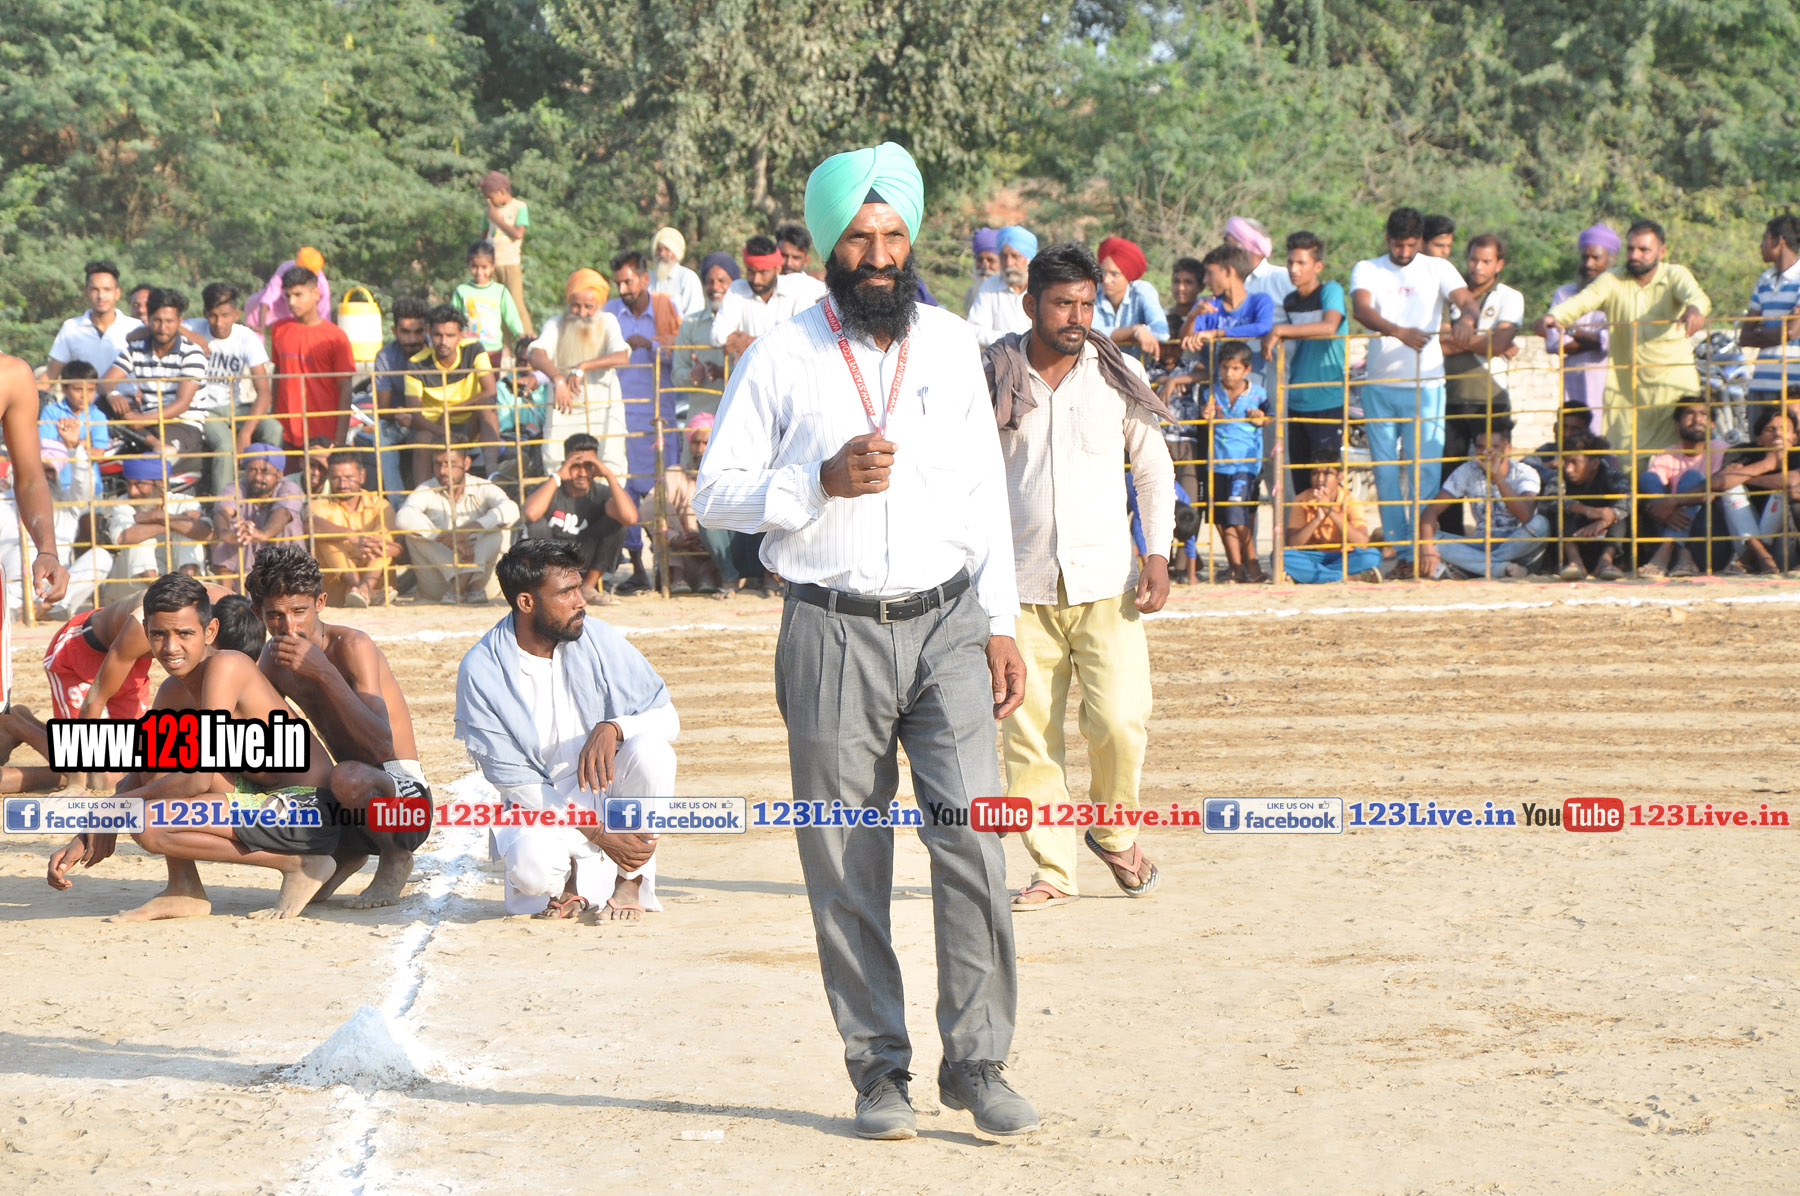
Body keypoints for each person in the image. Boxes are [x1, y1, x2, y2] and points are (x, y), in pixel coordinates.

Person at [694, 142, 1037, 1140]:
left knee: (975, 837)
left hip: (950, 624)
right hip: (830, 627)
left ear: (911, 238)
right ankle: (879, 1070)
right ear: (827, 245)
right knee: (847, 858)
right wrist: (813, 483)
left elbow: (983, 492)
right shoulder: (779, 354)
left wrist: (1002, 620)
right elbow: (714, 494)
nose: (879, 255)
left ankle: (978, 1061)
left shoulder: (951, 345)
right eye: (859, 237)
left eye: (893, 236)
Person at [982, 241, 1173, 911]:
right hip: (1018, 588)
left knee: (1121, 721)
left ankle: (1114, 832)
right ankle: (1052, 870)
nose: (1077, 317)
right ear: (1029, 304)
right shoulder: (992, 376)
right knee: (1028, 737)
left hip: (1107, 582)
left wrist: (1157, 553)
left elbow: (1152, 469)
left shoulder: (1116, 373)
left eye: (1087, 304)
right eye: (1063, 304)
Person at [47, 573, 342, 921]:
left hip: (307, 809)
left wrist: (115, 811)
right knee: (153, 766)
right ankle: (183, 888)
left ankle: (300, 865)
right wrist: (88, 831)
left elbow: (199, 778)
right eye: (159, 634)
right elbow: (141, 771)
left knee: (147, 821)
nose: (171, 647)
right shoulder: (173, 691)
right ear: (146, 634)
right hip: (261, 798)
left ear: (210, 632)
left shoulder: (226, 666)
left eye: (185, 634)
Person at [455, 539, 678, 921]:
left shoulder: (597, 637)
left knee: (653, 753)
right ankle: (569, 882)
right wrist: (600, 833)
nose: (581, 601)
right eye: (566, 592)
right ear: (526, 602)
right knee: (532, 870)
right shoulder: (481, 670)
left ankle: (630, 879)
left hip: (606, 787)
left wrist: (614, 727)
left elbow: (668, 719)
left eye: (579, 587)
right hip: (538, 804)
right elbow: (518, 785)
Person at [246, 545, 433, 907]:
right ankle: (347, 853)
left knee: (347, 776)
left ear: (320, 602)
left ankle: (395, 856)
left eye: (299, 611)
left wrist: (324, 673)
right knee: (272, 779)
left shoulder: (352, 645)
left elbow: (381, 746)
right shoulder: (272, 658)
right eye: (275, 615)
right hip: (346, 801)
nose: (289, 627)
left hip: (404, 802)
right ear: (258, 614)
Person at [1350, 207, 1478, 574]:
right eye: (1397, 245)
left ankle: (1421, 550)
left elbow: (1467, 302)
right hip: (1379, 386)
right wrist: (1398, 332)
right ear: (1387, 239)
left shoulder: (1437, 268)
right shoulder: (1368, 268)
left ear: (1420, 241)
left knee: (1425, 473)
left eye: (1410, 245)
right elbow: (1361, 309)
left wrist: (1467, 321)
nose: (1404, 252)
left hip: (1427, 386)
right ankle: (1402, 550)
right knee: (1386, 473)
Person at [1537, 220, 1710, 461]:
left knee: (1679, 460)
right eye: (1630, 249)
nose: (1635, 255)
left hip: (1672, 388)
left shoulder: (1675, 275)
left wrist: (1694, 310)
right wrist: (1553, 317)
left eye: (1644, 250)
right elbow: (1581, 302)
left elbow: (1696, 297)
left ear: (1661, 252)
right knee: (1626, 462)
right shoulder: (1612, 279)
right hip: (1627, 391)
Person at [604, 250, 682, 594]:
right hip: (617, 418)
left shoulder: (665, 310)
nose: (623, 288)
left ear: (644, 279)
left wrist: (650, 344)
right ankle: (637, 569)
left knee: (661, 494)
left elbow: (683, 353)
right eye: (618, 283)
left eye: (628, 281)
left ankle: (668, 568)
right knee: (624, 492)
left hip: (658, 421)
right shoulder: (608, 313)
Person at [1265, 231, 1348, 489]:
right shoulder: (1290, 301)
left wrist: (1279, 330)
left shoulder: (1331, 290)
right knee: (1302, 482)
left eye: (1301, 263)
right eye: (1290, 262)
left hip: (1327, 399)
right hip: (1297, 398)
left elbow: (1329, 327)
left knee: (1326, 479)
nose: (1294, 269)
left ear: (1318, 266)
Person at [528, 269, 631, 478]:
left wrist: (583, 366)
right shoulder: (556, 324)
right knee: (556, 463)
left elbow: (622, 356)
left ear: (598, 306)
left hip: (603, 409)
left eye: (588, 307)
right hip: (563, 409)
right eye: (576, 305)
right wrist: (558, 379)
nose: (581, 312)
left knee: (610, 464)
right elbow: (535, 353)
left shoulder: (608, 322)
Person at [1417, 420, 1547, 579]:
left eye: (1494, 447)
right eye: (1480, 447)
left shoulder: (1524, 472)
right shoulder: (1467, 471)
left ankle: (1479, 567)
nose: (1486, 453)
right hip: (1481, 544)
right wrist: (1426, 546)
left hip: (1518, 546)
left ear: (1508, 449)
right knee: (1430, 538)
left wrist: (1498, 478)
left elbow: (1526, 516)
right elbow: (1431, 511)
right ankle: (1500, 569)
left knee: (1541, 524)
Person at [186, 282, 281, 495]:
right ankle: (225, 505)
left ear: (236, 314)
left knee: (274, 429)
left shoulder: (246, 337)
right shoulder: (194, 327)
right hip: (205, 409)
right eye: (213, 316)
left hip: (236, 407)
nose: (219, 322)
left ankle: (269, 494)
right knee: (226, 445)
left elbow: (264, 392)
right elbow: (168, 325)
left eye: (225, 315)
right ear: (205, 313)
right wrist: (195, 338)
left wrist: (246, 433)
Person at [98, 286, 208, 468]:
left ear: (179, 322)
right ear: (148, 320)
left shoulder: (191, 353)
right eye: (157, 320)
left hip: (181, 424)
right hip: (146, 421)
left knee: (159, 460)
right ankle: (153, 442)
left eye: (169, 321)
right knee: (102, 403)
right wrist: (113, 394)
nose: (163, 328)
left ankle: (151, 444)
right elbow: (104, 383)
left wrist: (141, 420)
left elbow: (183, 403)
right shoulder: (136, 348)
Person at [521, 433, 637, 604]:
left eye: (589, 466)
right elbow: (531, 514)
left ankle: (588, 588)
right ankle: (547, 588)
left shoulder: (601, 493)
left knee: (617, 525)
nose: (582, 473)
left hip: (584, 560)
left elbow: (630, 518)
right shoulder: (550, 489)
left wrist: (608, 474)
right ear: (565, 465)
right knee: (536, 525)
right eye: (576, 466)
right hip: (551, 561)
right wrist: (558, 476)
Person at [394, 446, 520, 603]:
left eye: (450, 464)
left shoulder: (481, 486)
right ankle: (459, 581)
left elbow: (511, 509)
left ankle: (463, 582)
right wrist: (447, 539)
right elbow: (403, 517)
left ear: (466, 463)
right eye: (438, 464)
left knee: (500, 528)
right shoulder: (427, 488)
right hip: (441, 586)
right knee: (415, 533)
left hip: (482, 586)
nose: (443, 471)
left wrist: (470, 529)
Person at [1441, 233, 1525, 465]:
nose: (1478, 267)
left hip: (1491, 399)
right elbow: (1439, 345)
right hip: (1449, 399)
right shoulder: (1449, 295)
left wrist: (1457, 337)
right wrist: (1487, 341)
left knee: (1493, 470)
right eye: (1473, 260)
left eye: (1486, 261)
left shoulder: (1510, 297)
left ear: (1499, 264)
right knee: (1450, 474)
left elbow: (1498, 345)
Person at [402, 305, 501, 477]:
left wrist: (451, 411)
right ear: (428, 332)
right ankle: (422, 492)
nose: (443, 341)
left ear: (461, 335)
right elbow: (414, 415)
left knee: (487, 405)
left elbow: (490, 391)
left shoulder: (474, 350)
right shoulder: (416, 364)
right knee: (422, 438)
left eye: (450, 335)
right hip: (434, 428)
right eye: (438, 335)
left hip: (469, 423)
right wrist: (445, 433)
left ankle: (493, 473)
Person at [1638, 395, 1730, 577]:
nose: (1697, 419)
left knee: (1693, 478)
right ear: (1677, 426)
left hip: (1707, 541)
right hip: (1672, 536)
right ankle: (1682, 555)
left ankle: (1668, 548)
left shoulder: (1720, 448)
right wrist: (1668, 511)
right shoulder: (1668, 454)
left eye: (1703, 414)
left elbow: (1715, 492)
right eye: (1689, 414)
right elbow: (1653, 500)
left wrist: (1672, 503)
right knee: (1647, 479)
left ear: (1712, 425)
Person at [268, 266, 356, 450]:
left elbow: (345, 387)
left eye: (298, 295)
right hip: (284, 433)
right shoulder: (279, 330)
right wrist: (273, 418)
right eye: (287, 296)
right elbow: (278, 375)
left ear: (316, 293)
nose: (292, 302)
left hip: (323, 435)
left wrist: (339, 440)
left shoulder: (335, 337)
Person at [1202, 342, 1269, 582]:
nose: (1229, 373)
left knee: (1236, 513)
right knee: (1222, 519)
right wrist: (1206, 416)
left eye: (1235, 368)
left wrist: (1261, 418)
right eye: (1225, 367)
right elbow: (1206, 421)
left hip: (1245, 465)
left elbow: (1270, 418)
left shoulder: (1259, 394)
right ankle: (1236, 567)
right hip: (1217, 463)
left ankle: (1253, 564)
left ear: (1247, 369)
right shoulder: (1210, 393)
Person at [1543, 225, 1618, 436]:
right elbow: (1554, 344)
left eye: (1596, 258)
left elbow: (1612, 342)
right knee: (1572, 437)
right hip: (1572, 384)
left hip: (1607, 383)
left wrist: (1571, 331)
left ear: (1611, 260)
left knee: (1606, 439)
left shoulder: (1618, 297)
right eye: (1585, 257)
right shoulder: (1564, 294)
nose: (1588, 264)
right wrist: (1596, 340)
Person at [1709, 407, 1800, 573]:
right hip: (1743, 541)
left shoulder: (1798, 454)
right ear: (1758, 439)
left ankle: (1752, 557)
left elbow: (1793, 481)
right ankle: (1760, 553)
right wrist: (1766, 464)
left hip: (1785, 546)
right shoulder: (1743, 452)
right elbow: (1717, 483)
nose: (1778, 434)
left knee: (1783, 490)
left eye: (1785, 429)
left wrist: (1745, 475)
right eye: (1770, 429)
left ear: (1795, 437)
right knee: (1731, 489)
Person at [710, 235, 827, 356]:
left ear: (777, 269)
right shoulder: (737, 289)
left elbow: (803, 337)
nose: (756, 279)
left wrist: (751, 343)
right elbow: (717, 336)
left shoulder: (797, 286)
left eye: (763, 272)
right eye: (751, 272)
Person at [308, 452, 400, 606]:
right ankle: (362, 590)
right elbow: (310, 524)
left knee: (384, 542)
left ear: (362, 476)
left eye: (349, 477)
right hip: (334, 591)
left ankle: (365, 589)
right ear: (329, 477)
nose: (343, 484)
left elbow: (394, 547)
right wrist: (351, 535)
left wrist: (381, 544)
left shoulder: (380, 505)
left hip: (377, 581)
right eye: (336, 478)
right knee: (325, 537)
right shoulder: (320, 504)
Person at [362, 295, 430, 498]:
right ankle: (396, 501)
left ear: (426, 330)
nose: (412, 339)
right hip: (400, 421)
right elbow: (382, 408)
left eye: (418, 332)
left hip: (431, 419)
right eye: (405, 332)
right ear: (394, 331)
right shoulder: (386, 356)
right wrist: (400, 414)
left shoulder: (436, 350)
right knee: (381, 434)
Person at [210, 444, 304, 589]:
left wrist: (263, 534)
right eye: (253, 470)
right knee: (228, 526)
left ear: (279, 474)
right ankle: (227, 595)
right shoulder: (237, 486)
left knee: (288, 525)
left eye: (265, 472)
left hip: (281, 566)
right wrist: (226, 534)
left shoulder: (289, 488)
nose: (258, 477)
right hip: (246, 562)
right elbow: (223, 511)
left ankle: (292, 586)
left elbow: (283, 513)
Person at [106, 456, 210, 587]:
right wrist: (175, 520)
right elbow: (122, 537)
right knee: (139, 538)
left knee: (187, 534)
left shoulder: (183, 501)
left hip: (176, 575)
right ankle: (156, 591)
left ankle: (185, 587)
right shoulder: (123, 502)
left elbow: (206, 532)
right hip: (132, 585)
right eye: (129, 484)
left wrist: (158, 517)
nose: (132, 491)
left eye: (139, 484)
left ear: (160, 483)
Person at [1183, 243, 1276, 382]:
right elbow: (1187, 339)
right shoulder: (1207, 304)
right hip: (1214, 391)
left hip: (1253, 390)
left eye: (1209, 273)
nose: (1205, 280)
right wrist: (1192, 317)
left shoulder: (1260, 301)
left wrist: (1217, 333)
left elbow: (1262, 328)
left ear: (1228, 271)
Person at [1739, 213, 1800, 415]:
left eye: (1765, 239)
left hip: (1793, 385)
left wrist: (1761, 332)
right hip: (1761, 381)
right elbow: (1744, 336)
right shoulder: (1764, 280)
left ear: (1779, 240)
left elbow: (1792, 332)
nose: (1761, 245)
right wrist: (1782, 330)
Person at [1547, 431, 1630, 581]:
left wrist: (1605, 520)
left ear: (1594, 463)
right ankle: (1575, 562)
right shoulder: (1560, 476)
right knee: (1561, 512)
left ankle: (1606, 561)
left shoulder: (1610, 474)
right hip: (1573, 538)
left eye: (1574, 462)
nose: (1568, 469)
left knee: (1621, 516)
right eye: (1566, 461)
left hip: (1604, 539)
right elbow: (1550, 498)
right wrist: (1588, 511)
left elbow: (1629, 498)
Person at [46, 260, 144, 380]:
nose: (100, 296)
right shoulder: (71, 328)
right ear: (86, 292)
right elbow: (50, 376)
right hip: (85, 393)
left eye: (107, 289)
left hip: (126, 393)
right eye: (94, 289)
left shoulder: (136, 327)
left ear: (117, 293)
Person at [1284, 463, 1382, 584]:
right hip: (1313, 556)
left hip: (1343, 555)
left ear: (1340, 476)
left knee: (1372, 556)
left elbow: (1362, 542)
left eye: (1327, 474)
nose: (1320, 479)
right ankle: (1348, 577)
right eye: (1315, 473)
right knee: (1281, 557)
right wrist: (1317, 519)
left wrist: (1329, 510)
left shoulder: (1350, 500)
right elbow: (1293, 543)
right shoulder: (1301, 500)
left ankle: (1310, 575)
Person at [672, 252, 735, 409]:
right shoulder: (691, 323)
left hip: (737, 415)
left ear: (734, 284)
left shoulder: (745, 321)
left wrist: (724, 373)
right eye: (709, 281)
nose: (715, 287)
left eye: (721, 281)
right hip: (700, 417)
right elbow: (676, 375)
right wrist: (692, 375)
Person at [39, 361, 110, 496]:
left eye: (91, 390)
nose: (84, 395)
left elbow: (98, 453)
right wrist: (84, 443)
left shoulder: (98, 416)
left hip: (91, 487)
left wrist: (67, 444)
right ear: (64, 388)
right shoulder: (51, 412)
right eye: (78, 389)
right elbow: (47, 450)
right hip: (58, 485)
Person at [1093, 235, 1169, 360]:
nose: (1106, 280)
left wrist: (1124, 334)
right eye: (1102, 272)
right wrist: (1135, 331)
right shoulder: (1094, 292)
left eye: (1114, 274)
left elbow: (1162, 332)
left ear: (1128, 276)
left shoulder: (1142, 291)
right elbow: (1092, 334)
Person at [480, 171, 534, 337]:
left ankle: (527, 338)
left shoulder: (519, 207)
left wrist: (498, 220)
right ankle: (502, 342)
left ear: (502, 192)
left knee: (516, 302)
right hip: (490, 264)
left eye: (491, 197)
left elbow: (518, 234)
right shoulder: (489, 210)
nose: (489, 201)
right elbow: (484, 235)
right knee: (494, 304)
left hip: (510, 263)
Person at [965, 225, 1037, 347]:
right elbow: (975, 330)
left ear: (1029, 259)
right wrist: (1013, 340)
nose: (1008, 263)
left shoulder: (1042, 287)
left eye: (1015, 256)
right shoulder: (990, 286)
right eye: (1003, 256)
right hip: (1000, 356)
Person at [453, 240, 525, 359]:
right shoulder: (461, 291)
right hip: (467, 350)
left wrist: (521, 336)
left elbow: (512, 317)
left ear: (492, 267)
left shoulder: (500, 291)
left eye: (484, 267)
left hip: (493, 351)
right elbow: (454, 319)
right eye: (474, 266)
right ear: (468, 265)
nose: (479, 272)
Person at [245, 247, 333, 331]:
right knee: (252, 302)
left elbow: (324, 316)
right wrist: (261, 326)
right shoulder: (286, 268)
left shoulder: (322, 286)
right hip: (278, 304)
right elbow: (269, 297)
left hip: (301, 312)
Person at [1225, 215, 1294, 319]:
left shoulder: (1283, 278)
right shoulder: (1226, 281)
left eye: (1229, 243)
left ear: (1248, 244)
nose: (1223, 250)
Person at [964, 227, 1001, 312]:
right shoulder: (969, 295)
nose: (984, 266)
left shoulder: (1010, 295)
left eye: (990, 260)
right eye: (980, 260)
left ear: (1001, 262)